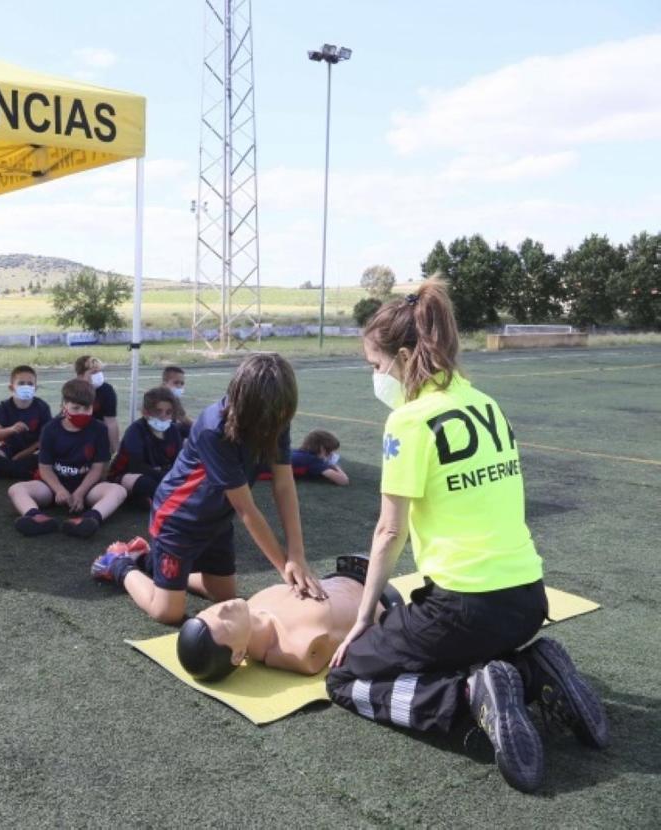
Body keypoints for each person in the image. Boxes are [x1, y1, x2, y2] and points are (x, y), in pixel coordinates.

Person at [325, 279, 608, 793]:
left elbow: (390, 530)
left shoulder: (409, 421)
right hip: (528, 600)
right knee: (460, 642)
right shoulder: (486, 403)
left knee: (346, 678)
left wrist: (363, 620)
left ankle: (469, 695)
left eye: (375, 365)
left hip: (463, 609)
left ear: (405, 355)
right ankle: (530, 669)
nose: (375, 376)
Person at [90, 353, 325, 624]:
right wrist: (286, 568)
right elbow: (245, 508)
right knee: (168, 612)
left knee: (225, 596)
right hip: (178, 520)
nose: (273, 422)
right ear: (243, 400)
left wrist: (297, 554)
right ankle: (119, 563)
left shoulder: (275, 417)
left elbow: (284, 484)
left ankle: (147, 560)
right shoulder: (215, 429)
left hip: (217, 520)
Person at [167, 554, 404, 679]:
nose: (222, 608)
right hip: (383, 600)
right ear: (238, 655)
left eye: (210, 610)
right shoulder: (300, 647)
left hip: (347, 574)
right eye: (224, 622)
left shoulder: (254, 605)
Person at [8, 379, 127, 538]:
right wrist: (59, 490)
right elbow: (45, 468)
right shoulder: (50, 429)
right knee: (16, 489)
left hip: (88, 488)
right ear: (65, 406)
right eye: (76, 408)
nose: (82, 413)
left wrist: (80, 493)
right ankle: (35, 517)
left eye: (87, 408)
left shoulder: (99, 429)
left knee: (118, 490)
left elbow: (97, 468)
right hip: (52, 487)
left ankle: (90, 519)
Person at [107, 386, 182, 508]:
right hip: (128, 474)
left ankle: (149, 498)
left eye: (168, 412)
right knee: (146, 484)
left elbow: (178, 461)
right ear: (146, 412)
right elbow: (136, 466)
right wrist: (167, 478)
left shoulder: (173, 430)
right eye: (158, 411)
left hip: (161, 474)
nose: (163, 416)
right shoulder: (135, 431)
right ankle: (144, 497)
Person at [0, 365, 52, 480]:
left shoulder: (42, 407)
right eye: (21, 383)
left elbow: (47, 440)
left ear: (35, 388)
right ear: (11, 388)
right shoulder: (5, 406)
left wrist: (22, 455)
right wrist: (11, 429)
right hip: (9, 451)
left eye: (30, 384)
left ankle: (1, 469)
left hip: (33, 452)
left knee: (49, 457)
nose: (26, 387)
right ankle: (27, 473)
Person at [257, 429, 349, 486]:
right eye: (329, 451)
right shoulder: (312, 460)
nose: (331, 455)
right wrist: (334, 465)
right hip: (255, 471)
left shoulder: (297, 452)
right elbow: (343, 481)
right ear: (322, 449)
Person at [74, 355, 119, 453]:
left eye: (99, 371)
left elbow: (111, 421)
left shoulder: (106, 390)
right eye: (94, 372)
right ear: (80, 375)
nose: (98, 375)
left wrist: (114, 449)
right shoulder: (72, 391)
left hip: (98, 433)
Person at [162, 366, 194, 439]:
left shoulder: (173, 397)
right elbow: (183, 419)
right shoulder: (158, 397)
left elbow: (183, 417)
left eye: (182, 383)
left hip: (168, 428)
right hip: (158, 432)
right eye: (176, 383)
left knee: (187, 428)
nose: (179, 386)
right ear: (165, 383)